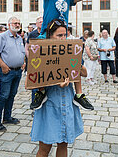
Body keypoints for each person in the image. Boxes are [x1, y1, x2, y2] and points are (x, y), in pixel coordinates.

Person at [30, 0, 93, 111]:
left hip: (63, 34)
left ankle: (79, 94)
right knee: (42, 61)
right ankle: (40, 91)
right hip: (48, 34)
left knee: (76, 58)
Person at [30, 19, 84, 157]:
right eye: (59, 36)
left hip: (67, 101)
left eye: (64, 35)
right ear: (50, 36)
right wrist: (53, 81)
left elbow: (84, 73)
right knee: (44, 147)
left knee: (63, 144)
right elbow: (32, 82)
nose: (63, 38)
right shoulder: (41, 51)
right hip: (49, 103)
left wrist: (76, 62)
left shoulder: (70, 49)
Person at [0, 17, 26, 132]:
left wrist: (23, 62)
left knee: (12, 95)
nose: (17, 25)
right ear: (9, 24)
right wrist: (3, 65)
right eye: (15, 23)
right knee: (4, 96)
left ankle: (7, 117)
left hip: (17, 71)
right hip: (7, 71)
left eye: (18, 23)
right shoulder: (2, 37)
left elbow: (21, 52)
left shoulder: (19, 38)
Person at [25, 16, 44, 112]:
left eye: (42, 21)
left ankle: (42, 106)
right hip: (34, 64)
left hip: (45, 64)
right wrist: (30, 59)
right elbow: (27, 47)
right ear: (36, 24)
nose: (41, 23)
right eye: (39, 22)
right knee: (34, 86)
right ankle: (34, 107)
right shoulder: (32, 34)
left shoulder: (47, 32)